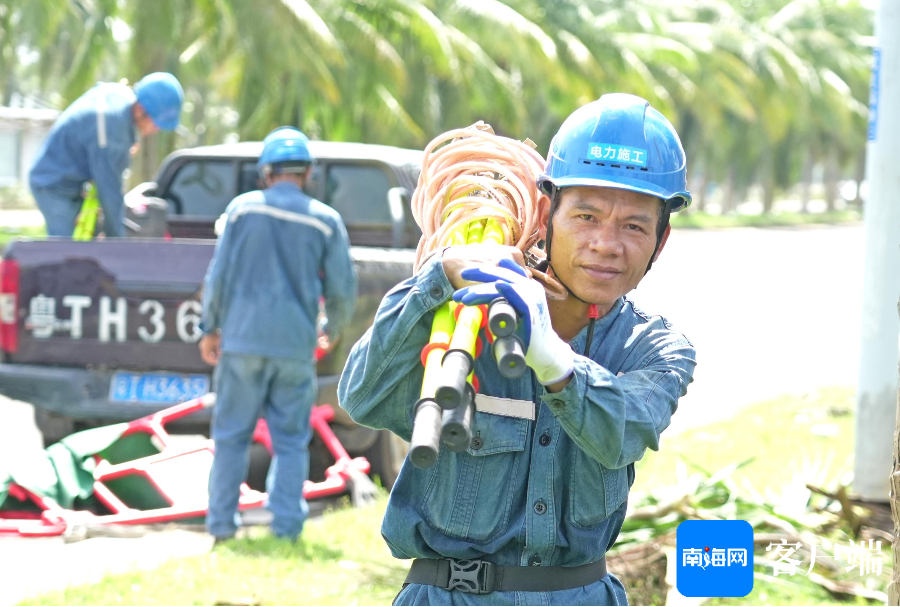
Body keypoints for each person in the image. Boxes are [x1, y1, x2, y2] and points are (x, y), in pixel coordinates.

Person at [337, 93, 697, 604]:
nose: (606, 244)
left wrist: (550, 356)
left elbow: (622, 434)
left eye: (634, 226)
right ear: (548, 213)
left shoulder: (656, 348)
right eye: (587, 217)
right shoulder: (464, 314)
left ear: (660, 242)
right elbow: (364, 397)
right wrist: (439, 277)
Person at [199, 126, 358, 543]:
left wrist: (208, 328)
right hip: (294, 348)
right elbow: (342, 289)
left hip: (241, 345)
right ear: (307, 173)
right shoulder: (326, 221)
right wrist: (331, 331)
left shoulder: (241, 210)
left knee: (231, 438)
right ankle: (286, 530)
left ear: (266, 172)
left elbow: (218, 276)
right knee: (290, 442)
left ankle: (221, 530)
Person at [28, 72, 184, 238]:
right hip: (52, 184)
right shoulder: (111, 132)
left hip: (75, 183)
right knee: (67, 249)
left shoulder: (121, 97)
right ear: (140, 110)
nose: (156, 130)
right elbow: (110, 193)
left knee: (88, 240)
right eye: (156, 123)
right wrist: (116, 242)